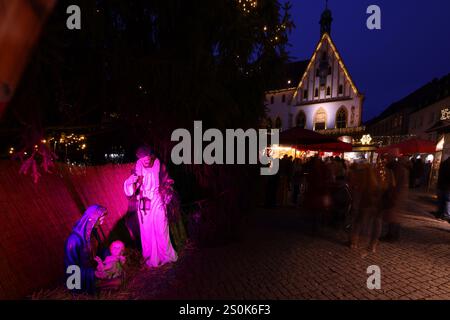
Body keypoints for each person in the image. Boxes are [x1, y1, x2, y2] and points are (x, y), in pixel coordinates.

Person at [123, 146, 177, 268]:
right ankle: (152, 259)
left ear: (151, 156)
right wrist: (132, 182)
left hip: (157, 198)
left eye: (147, 158)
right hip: (144, 201)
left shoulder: (158, 164)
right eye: (143, 159)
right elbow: (132, 187)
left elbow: (166, 180)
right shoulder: (137, 168)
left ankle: (166, 256)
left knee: (161, 227)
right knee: (147, 230)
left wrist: (167, 191)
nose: (146, 161)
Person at [64, 205, 108, 294]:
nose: (102, 223)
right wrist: (93, 274)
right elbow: (71, 270)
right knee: (116, 283)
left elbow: (101, 250)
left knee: (119, 278)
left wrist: (110, 259)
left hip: (97, 269)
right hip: (85, 279)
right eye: (100, 220)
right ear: (92, 219)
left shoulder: (93, 232)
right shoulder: (73, 240)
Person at [437, 156, 450, 221]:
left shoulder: (443, 163)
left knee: (441, 200)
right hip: (448, 186)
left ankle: (440, 214)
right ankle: (446, 215)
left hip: (441, 185)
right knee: (448, 201)